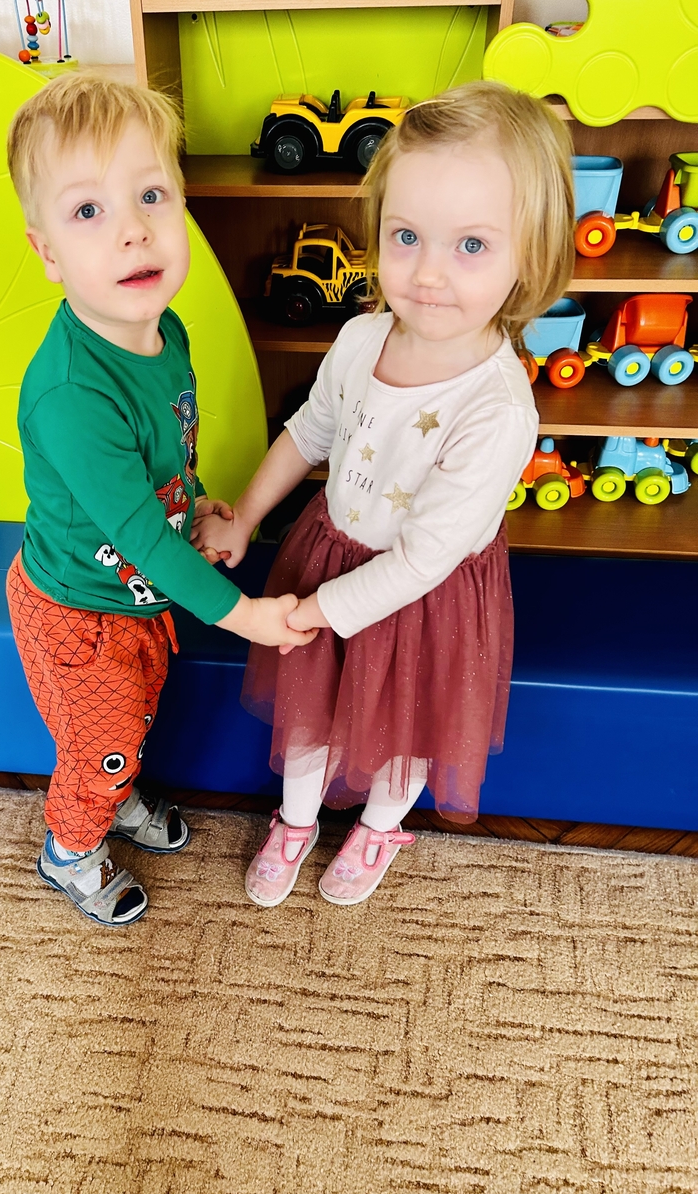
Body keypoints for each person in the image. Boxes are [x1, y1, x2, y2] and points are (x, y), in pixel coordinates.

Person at [192, 81, 574, 909]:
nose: (427, 273)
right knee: (309, 713)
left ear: (530, 255)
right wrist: (246, 516)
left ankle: (378, 827)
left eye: (470, 245)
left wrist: (312, 613)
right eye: (406, 236)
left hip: (424, 602)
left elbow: (423, 560)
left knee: (404, 731)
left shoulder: (497, 409)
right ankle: (295, 820)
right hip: (327, 556)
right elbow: (308, 431)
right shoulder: (361, 336)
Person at [5, 73, 315, 927]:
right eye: (88, 210)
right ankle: (70, 848)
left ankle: (114, 783)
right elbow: (141, 535)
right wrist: (246, 618)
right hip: (79, 613)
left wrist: (204, 504)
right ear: (47, 253)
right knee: (99, 742)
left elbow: (169, 458)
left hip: (135, 597)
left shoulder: (164, 331)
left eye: (151, 195)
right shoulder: (72, 393)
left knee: (127, 724)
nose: (133, 229)